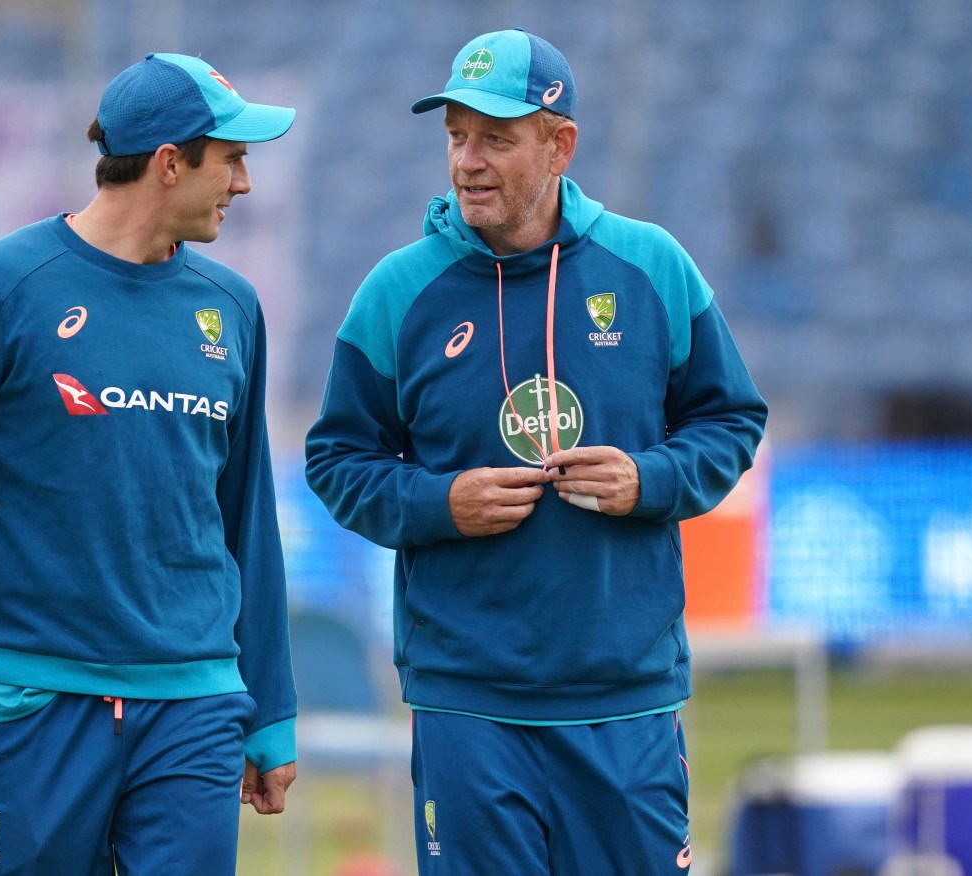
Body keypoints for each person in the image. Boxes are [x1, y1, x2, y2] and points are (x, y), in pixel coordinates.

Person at [305, 28, 767, 875]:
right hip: (466, 702)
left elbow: (730, 421)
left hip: (624, 698)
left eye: (495, 138)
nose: (466, 162)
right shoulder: (397, 292)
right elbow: (337, 460)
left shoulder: (650, 266)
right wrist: (436, 504)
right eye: (454, 136)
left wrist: (650, 478)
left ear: (559, 145)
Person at [0, 51, 298, 874]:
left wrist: (269, 707)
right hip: (35, 697)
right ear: (169, 163)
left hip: (195, 702)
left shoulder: (232, 307)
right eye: (232, 159)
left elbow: (247, 516)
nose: (243, 184)